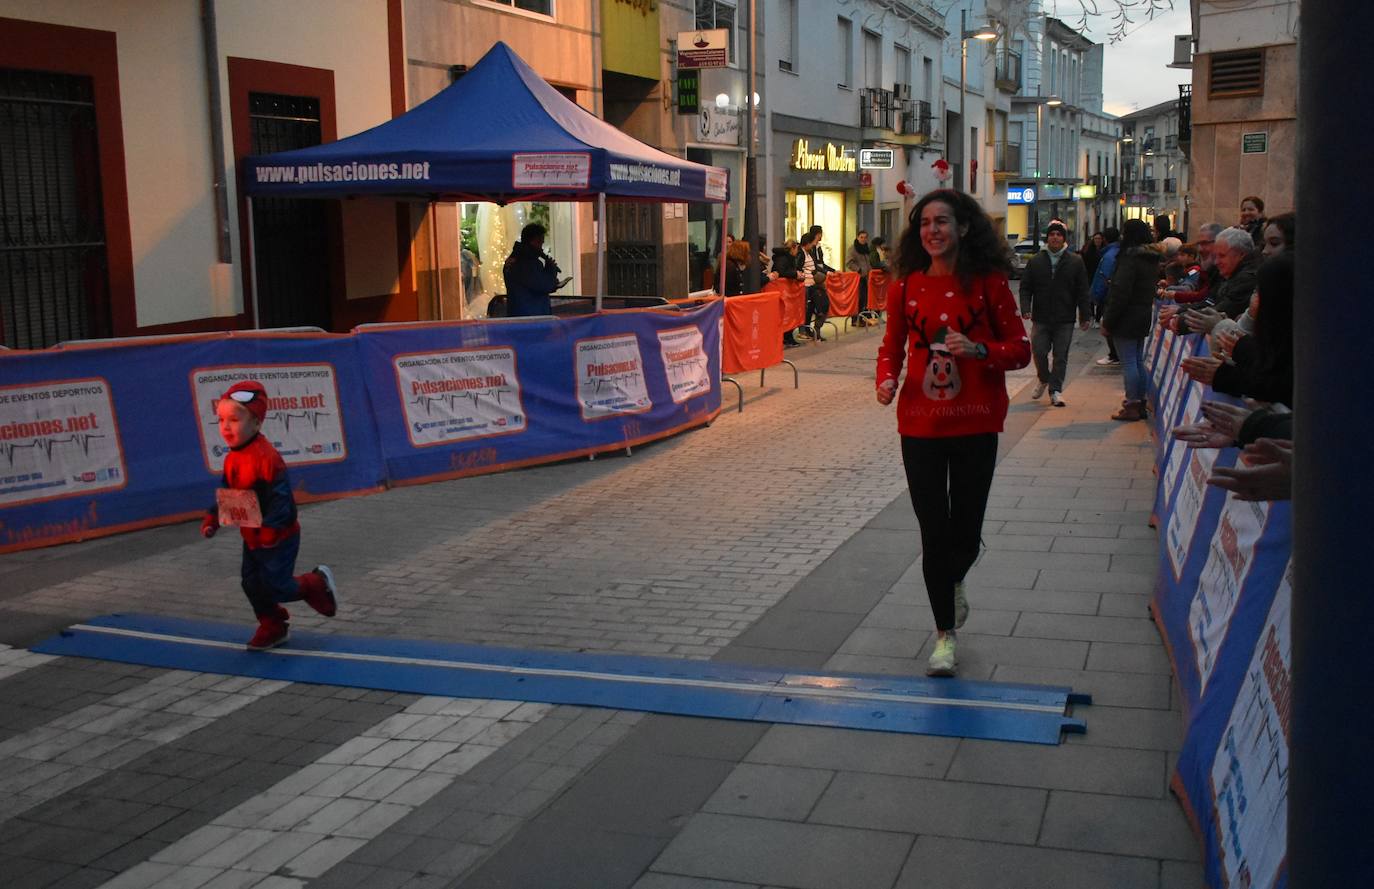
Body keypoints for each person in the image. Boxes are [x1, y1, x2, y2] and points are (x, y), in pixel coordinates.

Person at [875, 189, 1031, 677]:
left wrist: (979, 350)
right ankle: (944, 635)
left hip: (976, 419)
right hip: (919, 423)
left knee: (966, 530)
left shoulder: (989, 284)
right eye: (924, 223)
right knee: (932, 531)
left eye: (942, 221)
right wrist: (885, 378)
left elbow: (1021, 350)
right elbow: (891, 344)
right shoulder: (904, 287)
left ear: (964, 228)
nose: (932, 231)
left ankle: (954, 577)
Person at [200, 381, 338, 650]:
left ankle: (315, 583)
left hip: (278, 538)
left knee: (277, 586)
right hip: (251, 536)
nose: (226, 427)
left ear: (256, 423)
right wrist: (213, 518)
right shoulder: (232, 458)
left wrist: (272, 531)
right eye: (221, 420)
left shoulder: (267, 458)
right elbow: (229, 492)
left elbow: (281, 499)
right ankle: (272, 624)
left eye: (234, 420)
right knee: (251, 583)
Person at [1019, 221, 1091, 407]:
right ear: (1047, 238)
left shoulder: (1075, 261)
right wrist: (1025, 307)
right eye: (1052, 234)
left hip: (1064, 318)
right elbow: (1025, 287)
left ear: (1064, 239)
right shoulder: (1036, 261)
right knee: (1039, 351)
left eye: (1059, 235)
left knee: (1061, 355)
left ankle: (1055, 390)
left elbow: (1082, 290)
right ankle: (1044, 378)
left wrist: (1085, 315)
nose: (1055, 238)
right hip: (1041, 317)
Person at [1101, 219, 1158, 421]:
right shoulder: (1151, 258)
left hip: (1126, 316)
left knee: (1129, 362)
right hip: (1142, 314)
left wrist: (1107, 320)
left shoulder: (1129, 259)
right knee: (1137, 360)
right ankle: (1140, 402)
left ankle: (1132, 404)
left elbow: (1120, 292)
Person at [503, 223, 567, 317]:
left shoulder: (515, 259)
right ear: (533, 241)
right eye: (540, 243)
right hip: (532, 318)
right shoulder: (527, 262)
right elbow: (544, 285)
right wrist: (551, 269)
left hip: (520, 314)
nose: (541, 248)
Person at [1090, 226, 1121, 365]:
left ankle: (1114, 354)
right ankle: (1116, 354)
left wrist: (1097, 295)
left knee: (1108, 324)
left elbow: (1105, 277)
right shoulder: (1116, 252)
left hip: (1109, 295)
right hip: (1112, 294)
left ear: (1105, 239)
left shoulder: (1109, 255)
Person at [800, 230, 830, 341]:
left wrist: (826, 272)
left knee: (822, 303)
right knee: (809, 307)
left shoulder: (811, 252)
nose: (813, 245)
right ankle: (806, 329)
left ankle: (816, 327)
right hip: (806, 284)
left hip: (813, 283)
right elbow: (800, 268)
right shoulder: (801, 253)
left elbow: (815, 267)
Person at [846, 230, 874, 326]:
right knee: (858, 298)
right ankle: (854, 320)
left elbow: (868, 262)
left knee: (865, 299)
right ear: (857, 237)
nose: (863, 239)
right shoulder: (853, 249)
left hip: (866, 277)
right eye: (861, 237)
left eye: (865, 237)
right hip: (857, 278)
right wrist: (858, 270)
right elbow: (849, 262)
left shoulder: (866, 249)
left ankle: (862, 318)